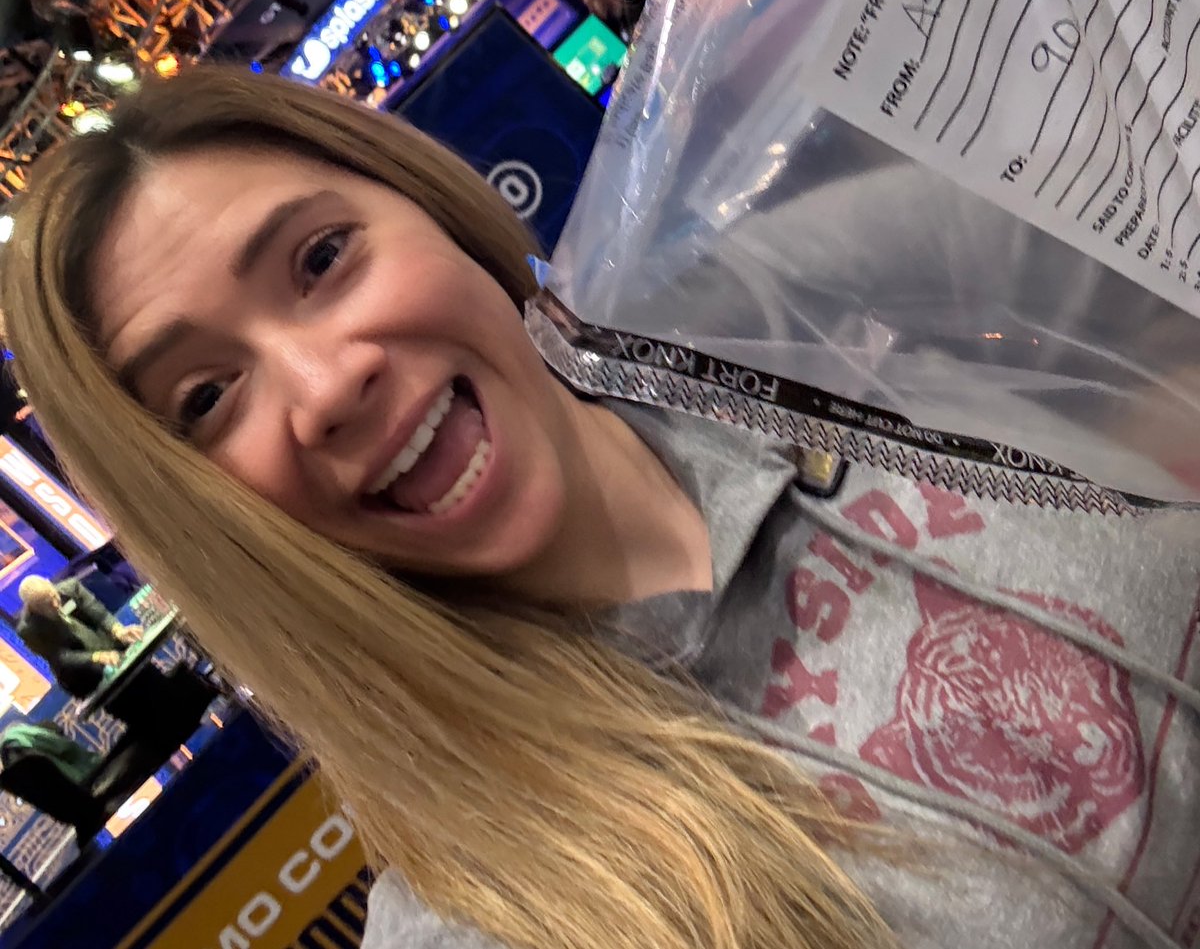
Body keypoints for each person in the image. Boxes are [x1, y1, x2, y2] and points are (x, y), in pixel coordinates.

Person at [0, 67, 1193, 949]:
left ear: (429, 208)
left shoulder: (781, 313)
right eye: (208, 399)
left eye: (321, 260)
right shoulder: (491, 921)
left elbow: (1145, 207)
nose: (326, 386)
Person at [16, 575, 141, 698]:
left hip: (113, 650)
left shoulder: (72, 588)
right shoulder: (28, 630)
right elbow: (60, 657)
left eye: (53, 596)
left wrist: (117, 629)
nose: (55, 604)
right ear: (32, 607)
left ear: (50, 583)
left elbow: (100, 614)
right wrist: (96, 657)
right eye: (46, 604)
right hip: (86, 676)